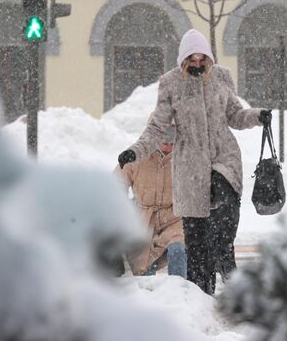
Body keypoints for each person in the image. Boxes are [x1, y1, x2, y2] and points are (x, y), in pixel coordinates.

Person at [117, 29, 271, 294]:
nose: (198, 64)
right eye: (193, 60)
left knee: (223, 209)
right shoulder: (171, 83)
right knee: (196, 240)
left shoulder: (222, 77)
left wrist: (257, 116)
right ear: (184, 60)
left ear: (209, 58)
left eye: (203, 59)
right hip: (189, 165)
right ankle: (201, 295)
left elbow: (234, 114)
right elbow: (157, 127)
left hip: (224, 157)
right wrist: (135, 151)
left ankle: (224, 252)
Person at [115, 125, 186, 278]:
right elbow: (117, 182)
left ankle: (181, 290)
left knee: (178, 250)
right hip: (144, 219)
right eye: (164, 143)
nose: (168, 147)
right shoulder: (136, 155)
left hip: (174, 217)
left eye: (172, 143)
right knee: (143, 266)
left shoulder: (184, 156)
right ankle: (147, 296)